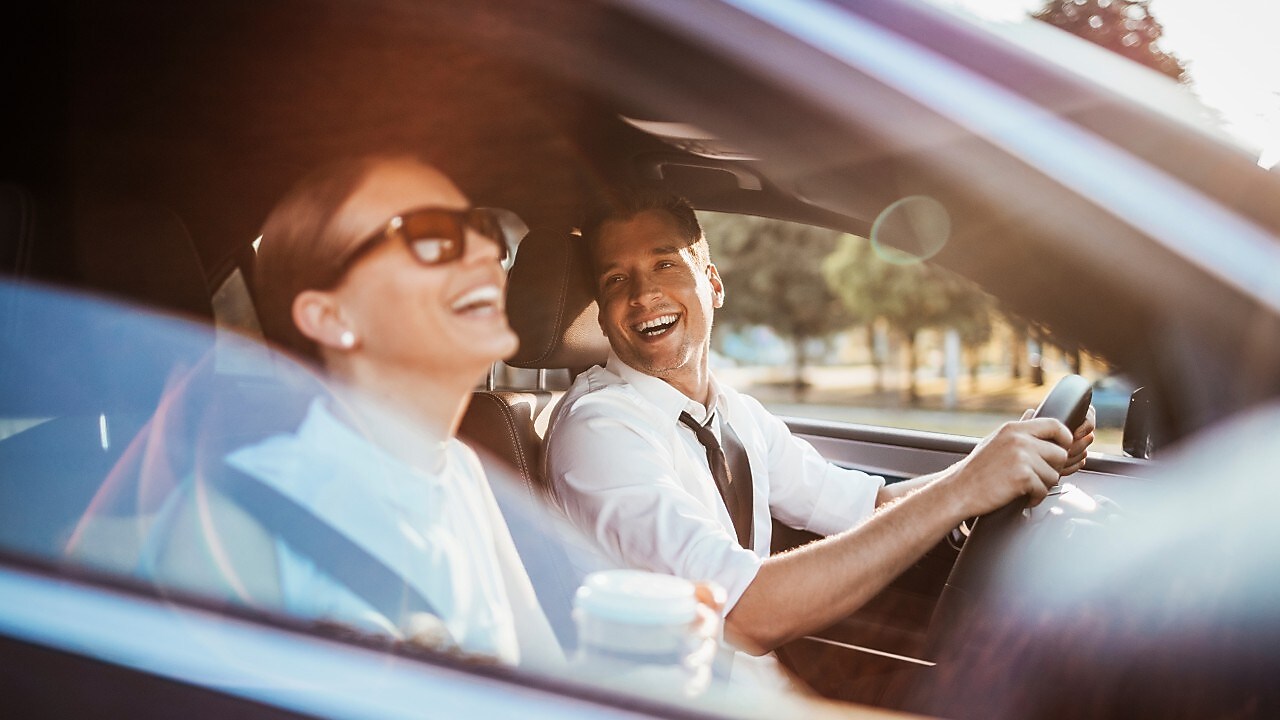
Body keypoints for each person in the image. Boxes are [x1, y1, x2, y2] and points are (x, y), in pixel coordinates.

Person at [543, 191, 1095, 677]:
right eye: (617, 279)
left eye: (665, 265)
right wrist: (964, 489)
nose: (642, 295)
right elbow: (743, 613)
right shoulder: (600, 430)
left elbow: (866, 505)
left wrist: (1004, 459)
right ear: (603, 308)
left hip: (758, 688)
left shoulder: (732, 411)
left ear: (712, 284)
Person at [140, 155, 561, 667]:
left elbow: (544, 677)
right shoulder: (236, 520)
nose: (487, 252)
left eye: (482, 229)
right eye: (430, 235)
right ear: (330, 317)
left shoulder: (462, 474)